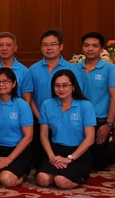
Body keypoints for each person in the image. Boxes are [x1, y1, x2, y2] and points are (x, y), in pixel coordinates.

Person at [29, 29, 85, 168]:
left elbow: (77, 95)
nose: (49, 48)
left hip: (65, 120)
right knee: (39, 162)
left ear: (61, 46)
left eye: (53, 44)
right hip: (39, 119)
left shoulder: (71, 69)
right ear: (41, 47)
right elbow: (28, 97)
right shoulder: (32, 69)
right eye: (45, 45)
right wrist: (41, 117)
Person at [36, 69, 95, 189]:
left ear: (73, 87)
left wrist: (70, 158)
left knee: (61, 181)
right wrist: (52, 157)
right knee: (42, 179)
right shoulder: (47, 104)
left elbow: (90, 138)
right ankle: (59, 172)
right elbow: (43, 134)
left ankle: (77, 176)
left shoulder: (85, 105)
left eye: (65, 85)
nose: (61, 89)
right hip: (56, 152)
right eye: (57, 86)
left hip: (78, 153)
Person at [0, 67, 33, 187]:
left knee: (6, 179)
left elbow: (28, 136)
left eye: (6, 81)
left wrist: (9, 159)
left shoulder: (22, 105)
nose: (2, 84)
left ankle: (24, 173)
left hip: (18, 151)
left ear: (14, 83)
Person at [75, 32, 115, 170]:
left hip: (100, 121)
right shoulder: (75, 68)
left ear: (101, 48)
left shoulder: (110, 69)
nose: (90, 49)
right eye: (86, 45)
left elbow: (114, 97)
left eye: (94, 46)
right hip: (78, 120)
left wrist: (108, 125)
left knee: (98, 164)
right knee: (79, 159)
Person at [0, 32, 33, 104]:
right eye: (1, 45)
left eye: (8, 45)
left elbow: (27, 99)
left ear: (15, 48)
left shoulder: (24, 71)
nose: (4, 48)